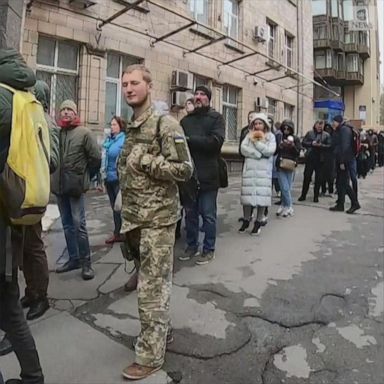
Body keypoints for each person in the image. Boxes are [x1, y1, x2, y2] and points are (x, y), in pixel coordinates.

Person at [118, 64, 192, 380]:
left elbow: (185, 169)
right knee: (153, 289)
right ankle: (160, 334)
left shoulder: (166, 124)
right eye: (124, 84)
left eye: (134, 83)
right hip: (134, 219)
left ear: (149, 86)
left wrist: (147, 161)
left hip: (158, 220)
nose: (128, 89)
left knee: (151, 288)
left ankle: (150, 357)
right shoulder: (132, 126)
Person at [0, 47, 44, 384]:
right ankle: (32, 376)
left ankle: (33, 377)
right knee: (9, 307)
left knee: (10, 311)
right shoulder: (24, 99)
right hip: (12, 213)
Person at [52, 99, 101, 280]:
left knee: (79, 224)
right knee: (66, 225)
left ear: (75, 113)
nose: (65, 112)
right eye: (63, 109)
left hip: (75, 187)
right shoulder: (57, 132)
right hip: (59, 187)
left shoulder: (84, 133)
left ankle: (86, 263)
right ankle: (73, 259)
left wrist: (85, 177)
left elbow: (96, 159)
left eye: (69, 110)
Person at [179, 85, 225, 265]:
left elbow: (215, 142)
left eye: (202, 94)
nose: (198, 97)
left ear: (208, 99)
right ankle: (191, 246)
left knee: (208, 215)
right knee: (190, 214)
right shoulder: (185, 121)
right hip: (189, 176)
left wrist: (190, 141)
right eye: (196, 94)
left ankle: (208, 249)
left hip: (209, 175)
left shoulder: (216, 119)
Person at [238, 113, 276, 235]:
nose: (258, 125)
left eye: (260, 123)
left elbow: (270, 151)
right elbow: (243, 149)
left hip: (263, 172)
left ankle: (258, 222)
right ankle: (246, 219)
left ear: (265, 124)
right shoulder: (248, 135)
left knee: (261, 198)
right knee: (247, 197)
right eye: (255, 123)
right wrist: (257, 154)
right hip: (250, 171)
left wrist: (257, 143)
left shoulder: (270, 136)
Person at [329, 115, 360, 214]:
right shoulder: (340, 129)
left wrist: (342, 161)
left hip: (345, 160)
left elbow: (345, 146)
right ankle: (340, 204)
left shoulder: (344, 130)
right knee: (339, 183)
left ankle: (355, 203)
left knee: (344, 183)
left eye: (334, 121)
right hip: (340, 159)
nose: (333, 123)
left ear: (339, 121)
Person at [102, 116, 126, 244]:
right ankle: (118, 232)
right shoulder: (109, 140)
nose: (112, 127)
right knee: (114, 207)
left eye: (114, 125)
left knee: (120, 207)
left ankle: (124, 233)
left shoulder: (123, 140)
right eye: (111, 125)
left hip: (118, 179)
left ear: (120, 126)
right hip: (109, 178)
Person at [298, 120, 331, 202]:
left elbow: (330, 146)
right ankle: (303, 195)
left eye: (321, 125)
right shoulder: (310, 133)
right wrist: (312, 143)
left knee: (318, 179)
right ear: (315, 125)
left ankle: (316, 196)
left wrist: (321, 145)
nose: (320, 126)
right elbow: (303, 143)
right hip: (310, 158)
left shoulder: (326, 135)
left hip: (320, 159)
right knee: (307, 177)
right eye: (318, 124)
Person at [276, 119, 301, 217]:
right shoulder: (279, 137)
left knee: (287, 187)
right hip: (281, 164)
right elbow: (274, 151)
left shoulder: (295, 138)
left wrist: (292, 146)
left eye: (288, 128)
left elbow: (298, 152)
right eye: (284, 128)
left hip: (290, 164)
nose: (286, 130)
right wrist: (281, 146)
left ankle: (285, 205)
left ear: (291, 129)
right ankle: (288, 206)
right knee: (284, 187)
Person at [321, 123, 336, 195]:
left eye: (329, 129)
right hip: (323, 157)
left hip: (331, 157)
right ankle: (323, 190)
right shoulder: (322, 135)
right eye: (326, 129)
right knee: (322, 175)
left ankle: (331, 191)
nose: (327, 130)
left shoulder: (333, 136)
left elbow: (332, 146)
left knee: (331, 175)